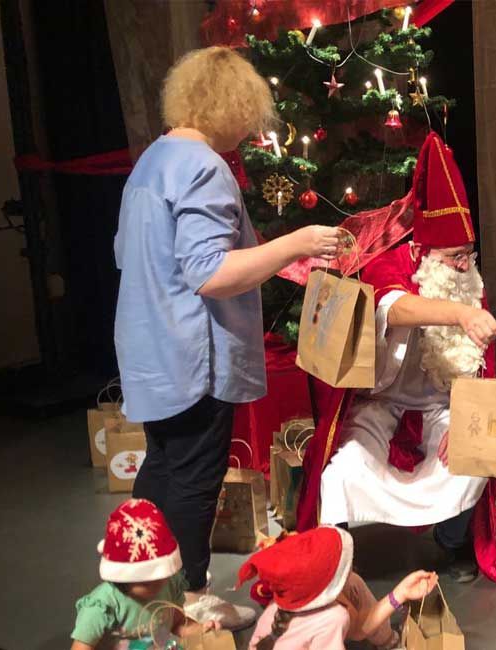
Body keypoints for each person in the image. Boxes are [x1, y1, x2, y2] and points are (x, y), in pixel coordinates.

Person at [113, 46, 341, 628]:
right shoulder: (202, 167)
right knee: (192, 480)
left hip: (150, 349)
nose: (249, 126)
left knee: (162, 469)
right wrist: (297, 243)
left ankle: (138, 585)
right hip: (192, 357)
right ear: (230, 105)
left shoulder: (151, 162)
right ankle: (187, 601)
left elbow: (131, 255)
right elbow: (210, 273)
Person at [300, 132, 496, 585]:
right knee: (343, 472)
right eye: (455, 257)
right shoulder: (393, 266)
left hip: (442, 406)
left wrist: (467, 421)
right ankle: (334, 560)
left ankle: (453, 545)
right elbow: (394, 308)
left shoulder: (467, 282)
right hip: (380, 403)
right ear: (425, 251)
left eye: (468, 256)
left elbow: (479, 372)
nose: (463, 266)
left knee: (472, 459)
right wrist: (460, 314)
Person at [239, 527, 438, 649]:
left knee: (354, 582)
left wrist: (401, 593)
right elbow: (360, 630)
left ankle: (388, 642)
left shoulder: (288, 603)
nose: (351, 562)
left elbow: (361, 629)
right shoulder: (332, 617)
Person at [71, 500, 219, 649]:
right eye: (147, 581)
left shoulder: (169, 585)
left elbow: (179, 623)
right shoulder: (102, 606)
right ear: (122, 576)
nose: (159, 584)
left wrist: (201, 629)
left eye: (162, 575)